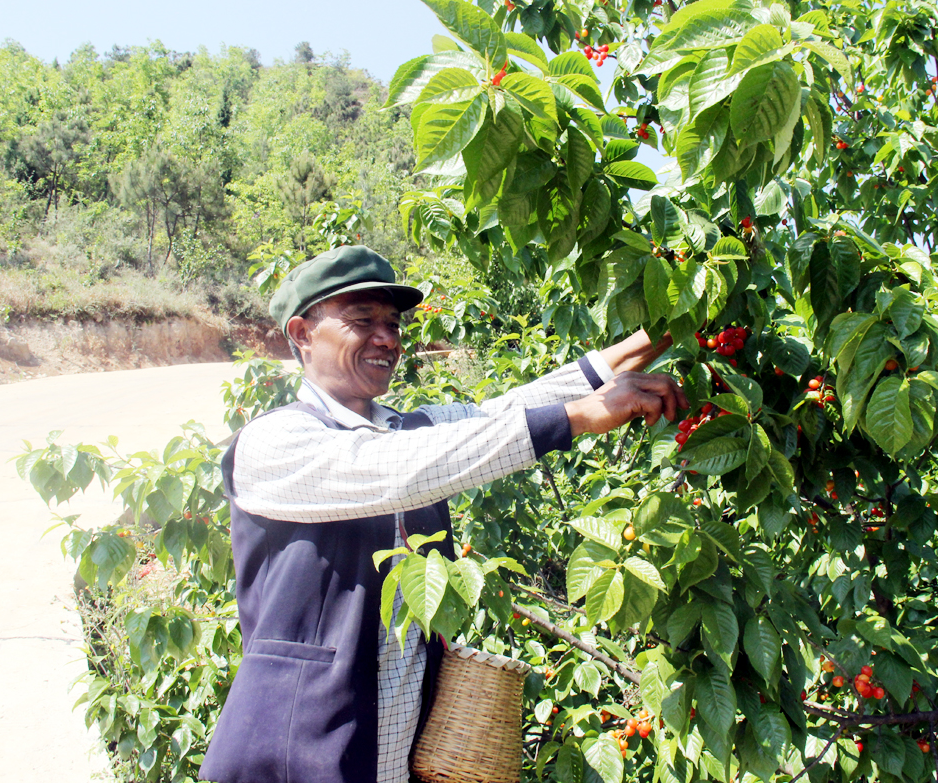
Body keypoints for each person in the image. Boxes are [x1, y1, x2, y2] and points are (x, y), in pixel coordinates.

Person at [198, 245, 686, 783]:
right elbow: (397, 470)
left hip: (395, 760)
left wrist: (662, 329)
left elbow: (503, 412)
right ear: (302, 334)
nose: (388, 338)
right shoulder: (274, 442)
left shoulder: (407, 428)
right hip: (296, 760)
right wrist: (578, 419)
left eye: (393, 323)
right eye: (363, 321)